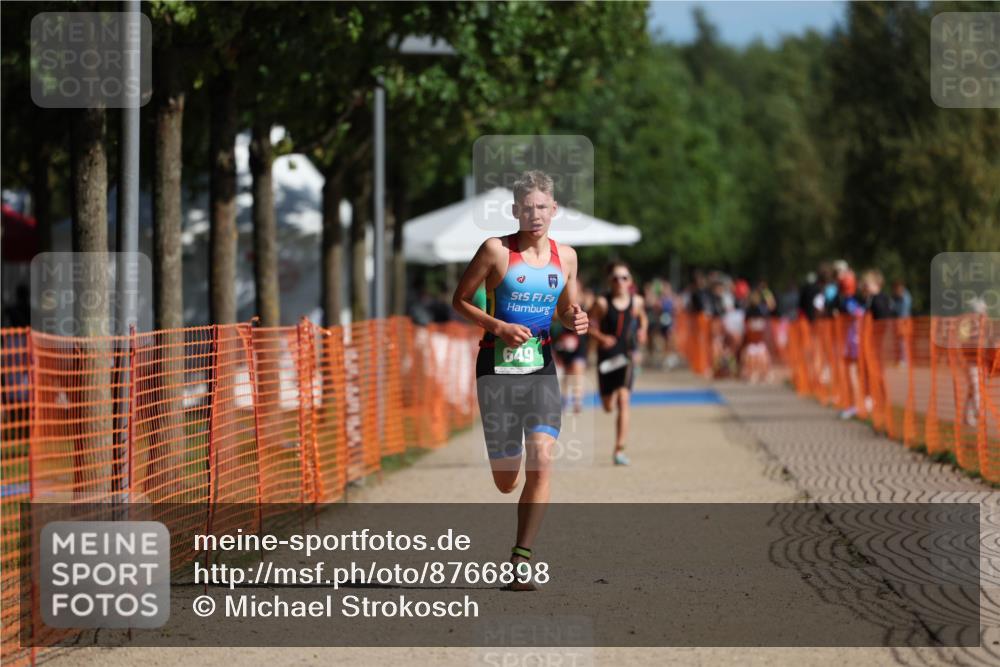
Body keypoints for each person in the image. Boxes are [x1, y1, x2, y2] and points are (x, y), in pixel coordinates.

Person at [452, 170, 588, 591]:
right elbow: (458, 300)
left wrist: (575, 317)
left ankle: (521, 559)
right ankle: (506, 478)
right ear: (515, 211)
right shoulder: (495, 251)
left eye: (542, 207)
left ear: (554, 210)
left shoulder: (565, 257)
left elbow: (566, 308)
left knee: (543, 459)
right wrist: (497, 326)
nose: (535, 215)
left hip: (542, 368)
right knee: (507, 480)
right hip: (497, 371)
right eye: (527, 208)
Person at [588, 261, 648, 466]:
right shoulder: (602, 303)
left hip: (626, 355)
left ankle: (619, 449)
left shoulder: (637, 301)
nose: (620, 282)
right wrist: (601, 337)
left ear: (630, 281)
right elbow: (587, 323)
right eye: (615, 278)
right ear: (609, 281)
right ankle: (608, 396)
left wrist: (643, 331)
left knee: (624, 399)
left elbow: (643, 318)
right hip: (607, 357)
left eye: (624, 278)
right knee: (608, 405)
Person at [552, 278, 593, 413]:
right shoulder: (561, 303)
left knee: (577, 371)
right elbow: (554, 318)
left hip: (580, 343)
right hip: (563, 344)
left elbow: (591, 312)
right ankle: (565, 400)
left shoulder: (586, 300)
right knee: (567, 373)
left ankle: (577, 400)